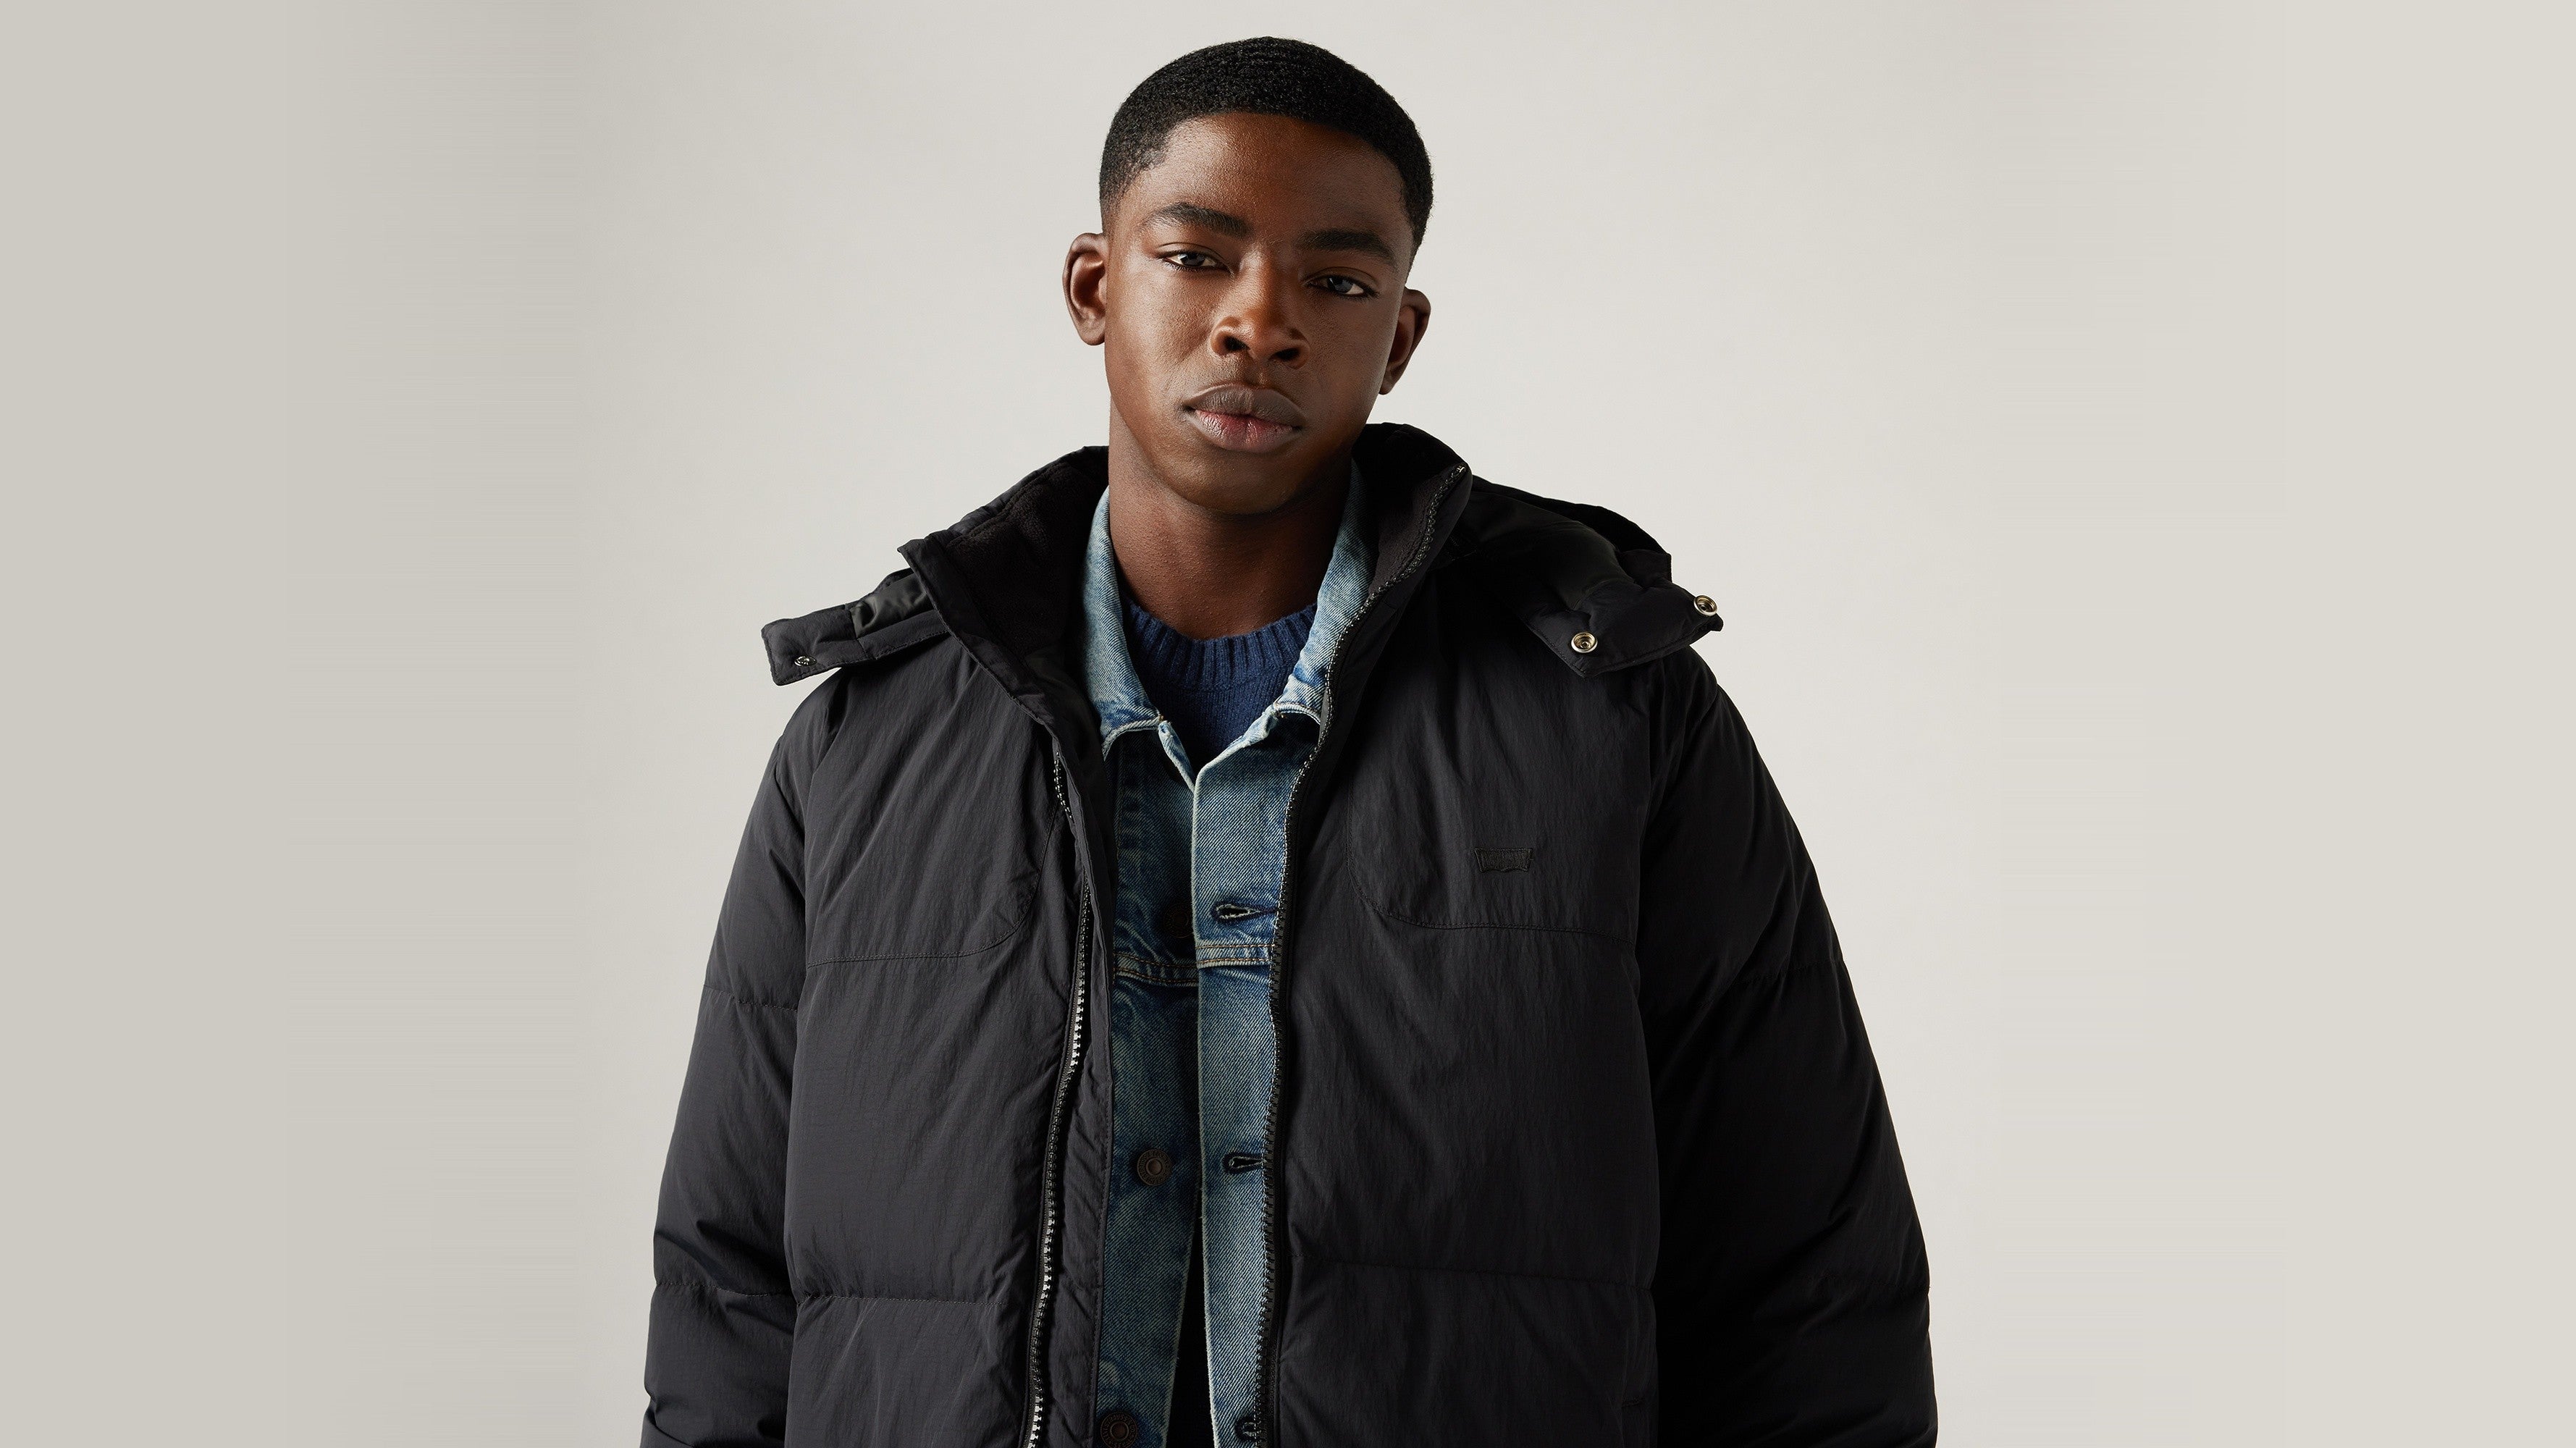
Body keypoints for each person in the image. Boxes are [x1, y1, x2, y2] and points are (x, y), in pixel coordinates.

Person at [641, 36, 1934, 1448]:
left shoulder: (1615, 718)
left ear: (1401, 337)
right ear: (1094, 287)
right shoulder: (863, 745)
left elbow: (1810, 1282)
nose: (1259, 321)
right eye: (1196, 257)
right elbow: (729, 1292)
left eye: (1338, 281)